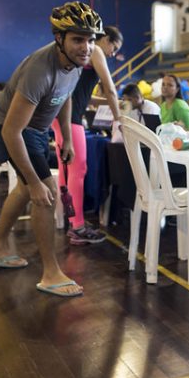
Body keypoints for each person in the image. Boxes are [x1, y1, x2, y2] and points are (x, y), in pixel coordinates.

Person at [0, 0, 103, 297]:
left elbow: (65, 98)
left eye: (90, 40)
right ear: (59, 38)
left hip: (34, 131)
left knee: (25, 191)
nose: (86, 47)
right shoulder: (41, 69)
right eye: (78, 39)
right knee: (43, 195)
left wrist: (69, 139)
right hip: (13, 130)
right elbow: (12, 131)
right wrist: (35, 181)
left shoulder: (75, 64)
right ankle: (50, 272)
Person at [52, 25, 123, 245]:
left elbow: (82, 94)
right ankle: (78, 226)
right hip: (69, 117)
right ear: (107, 39)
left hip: (59, 114)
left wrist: (110, 104)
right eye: (115, 47)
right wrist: (118, 119)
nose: (112, 53)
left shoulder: (81, 56)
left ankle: (71, 218)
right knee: (78, 169)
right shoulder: (96, 51)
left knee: (67, 169)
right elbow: (110, 88)